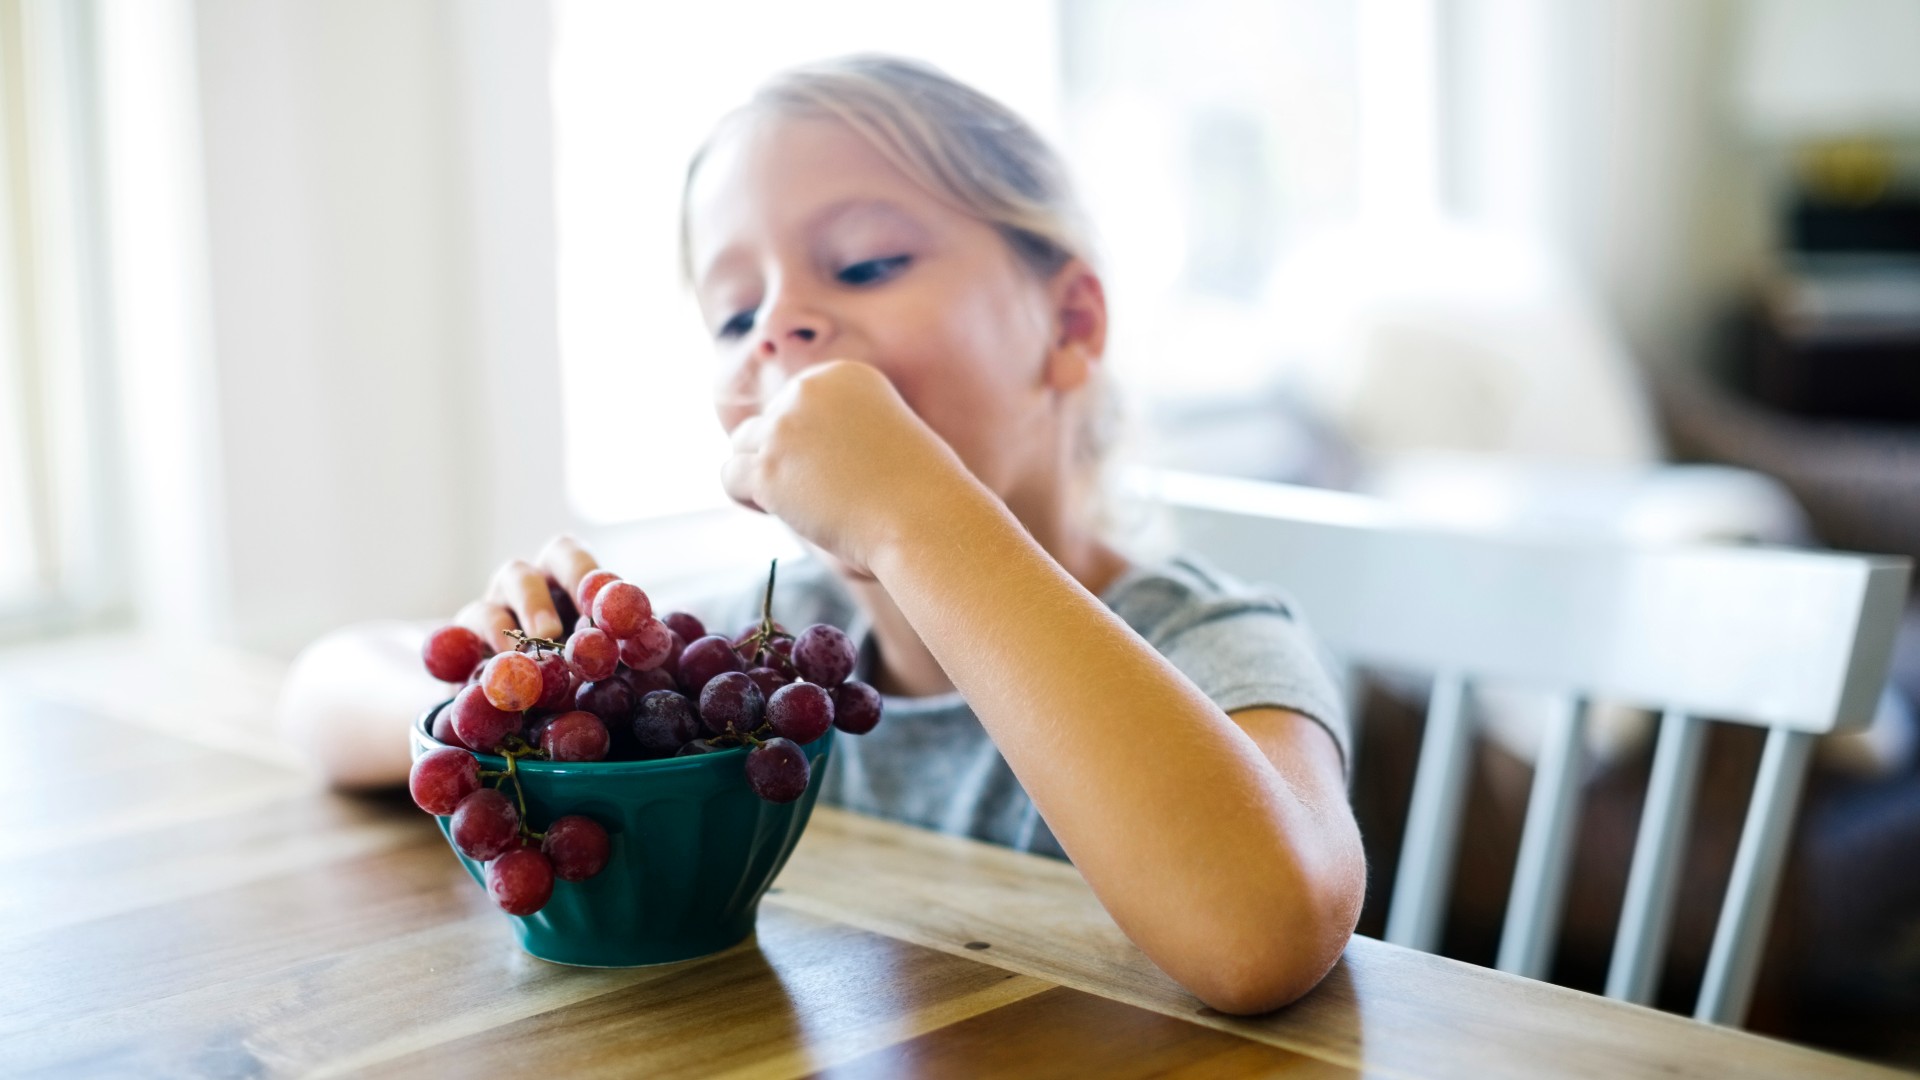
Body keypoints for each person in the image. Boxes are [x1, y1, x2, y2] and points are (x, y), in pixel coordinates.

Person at [279, 54, 1363, 1015]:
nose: (781, 326)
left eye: (867, 265)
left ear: (1070, 327)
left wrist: (916, 516)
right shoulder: (766, 655)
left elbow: (1260, 935)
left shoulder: (1212, 641)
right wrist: (494, 699)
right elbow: (326, 689)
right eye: (735, 314)